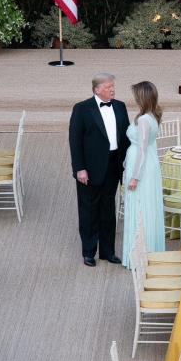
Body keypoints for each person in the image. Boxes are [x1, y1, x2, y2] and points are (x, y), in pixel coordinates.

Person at [68, 73, 130, 266]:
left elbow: (126, 137)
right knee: (88, 210)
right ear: (97, 89)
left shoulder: (120, 106)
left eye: (113, 86)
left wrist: (128, 164)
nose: (113, 89)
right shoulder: (82, 109)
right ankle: (88, 252)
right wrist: (80, 169)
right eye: (109, 87)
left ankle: (107, 251)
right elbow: (75, 141)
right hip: (91, 168)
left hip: (113, 164)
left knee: (108, 209)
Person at [122, 81, 165, 267]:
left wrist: (134, 176)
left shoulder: (143, 120)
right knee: (148, 205)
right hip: (151, 165)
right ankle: (150, 251)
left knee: (139, 207)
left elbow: (142, 150)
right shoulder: (153, 115)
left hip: (142, 167)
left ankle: (138, 256)